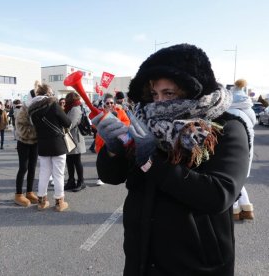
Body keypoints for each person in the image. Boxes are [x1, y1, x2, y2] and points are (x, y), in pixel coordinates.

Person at [94, 44, 249, 275]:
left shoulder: (226, 128)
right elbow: (111, 176)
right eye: (154, 94)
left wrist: (152, 162)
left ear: (192, 90)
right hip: (141, 257)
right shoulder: (144, 123)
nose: (159, 103)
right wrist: (113, 150)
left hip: (197, 263)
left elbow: (219, 194)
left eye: (169, 93)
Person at [28, 83, 71, 211]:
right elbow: (67, 122)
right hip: (57, 144)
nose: (53, 95)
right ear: (47, 93)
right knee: (58, 174)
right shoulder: (53, 105)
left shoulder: (32, 109)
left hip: (42, 145)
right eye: (51, 92)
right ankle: (59, 202)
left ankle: (42, 202)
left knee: (43, 174)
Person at [228, 79, 255, 220]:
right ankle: (247, 209)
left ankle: (236, 211)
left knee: (234, 179)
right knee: (241, 179)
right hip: (248, 147)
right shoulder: (248, 108)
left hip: (236, 149)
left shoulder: (230, 110)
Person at [94, 93, 130, 186]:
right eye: (107, 103)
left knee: (115, 158)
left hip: (117, 139)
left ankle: (115, 173)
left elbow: (127, 122)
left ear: (114, 103)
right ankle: (100, 177)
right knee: (102, 159)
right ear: (104, 104)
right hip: (102, 140)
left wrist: (119, 125)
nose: (110, 105)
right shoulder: (100, 112)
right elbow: (94, 125)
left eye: (111, 103)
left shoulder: (120, 111)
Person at [13, 93, 39, 207]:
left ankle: (29, 192)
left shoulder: (38, 108)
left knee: (32, 167)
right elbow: (20, 128)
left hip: (35, 142)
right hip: (23, 142)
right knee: (23, 168)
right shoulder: (23, 110)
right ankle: (18, 194)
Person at [63, 92, 86, 192]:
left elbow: (70, 124)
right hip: (69, 137)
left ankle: (81, 182)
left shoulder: (75, 109)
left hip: (75, 138)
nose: (65, 101)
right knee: (69, 160)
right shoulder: (70, 108)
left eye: (67, 99)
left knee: (76, 160)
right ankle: (71, 180)